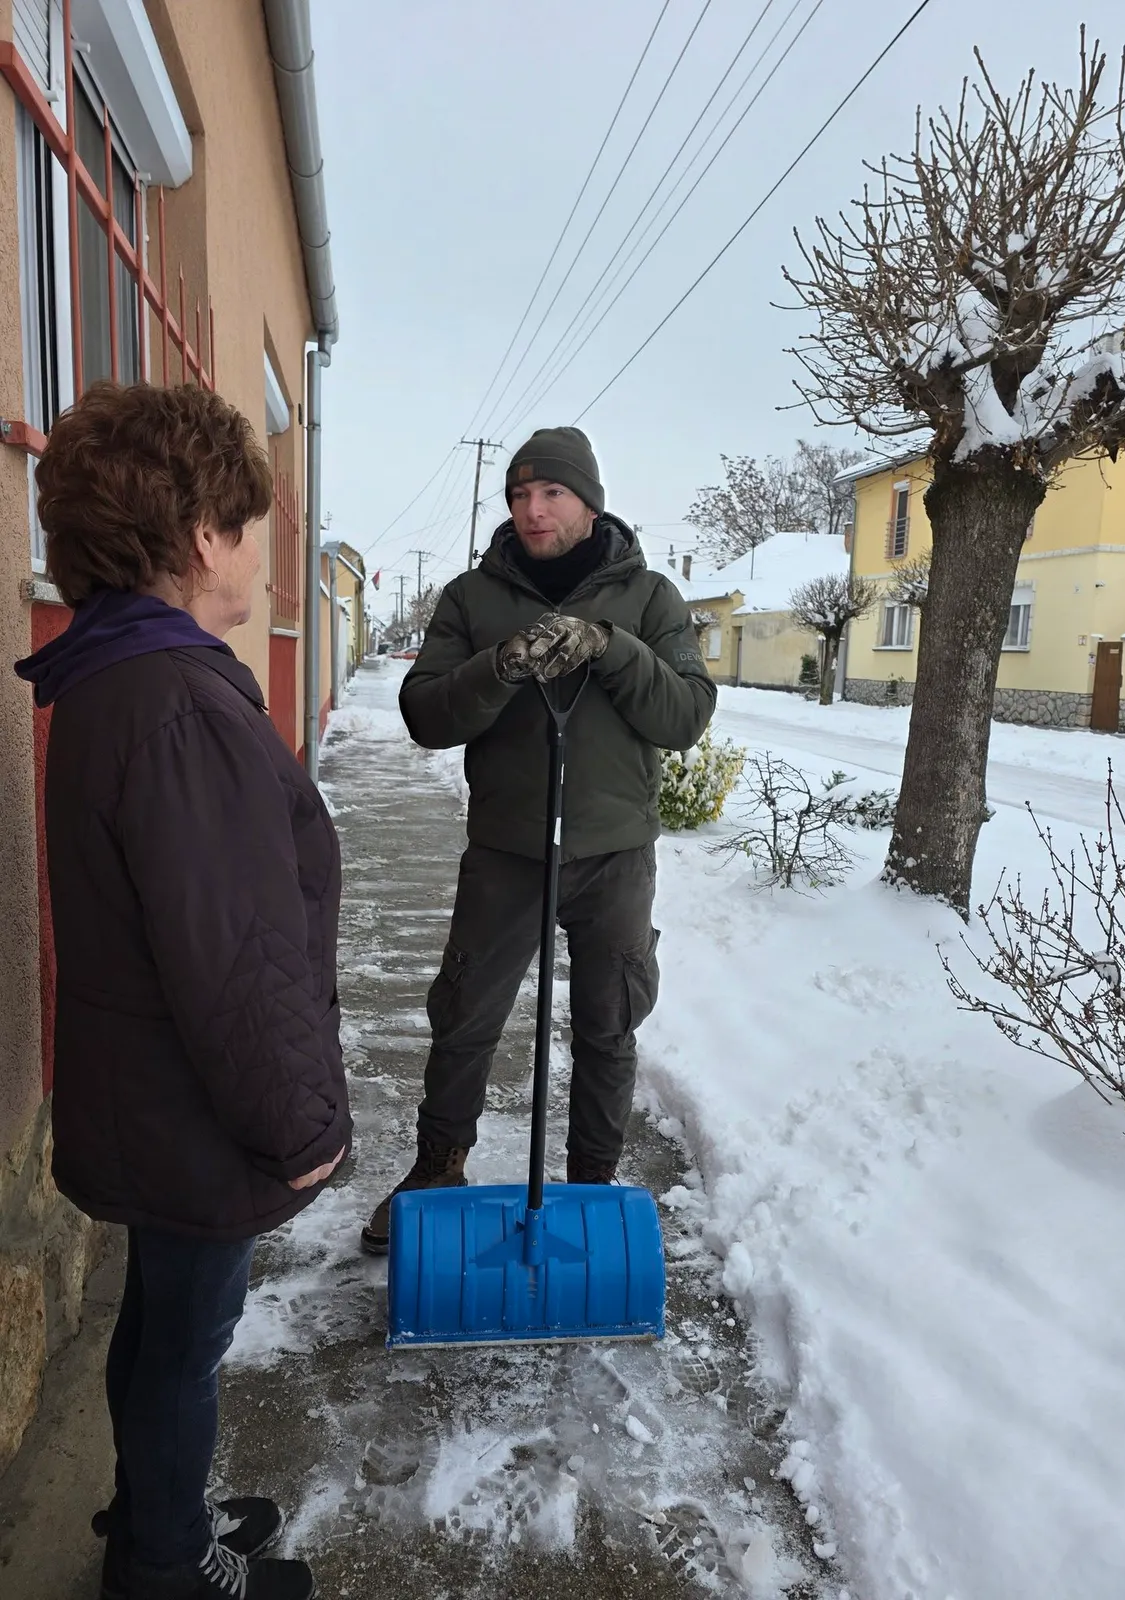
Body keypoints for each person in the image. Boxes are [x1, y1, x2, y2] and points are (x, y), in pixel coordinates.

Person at [15, 383, 351, 1600]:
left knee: (158, 1329)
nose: (263, 553)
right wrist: (301, 1128)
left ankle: (159, 1510)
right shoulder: (177, 705)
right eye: (249, 525)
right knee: (185, 1346)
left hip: (148, 1094)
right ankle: (163, 1563)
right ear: (200, 536)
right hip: (194, 1106)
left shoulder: (117, 679)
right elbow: (238, 962)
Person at [361, 426, 715, 1253]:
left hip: (615, 854)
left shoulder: (650, 598)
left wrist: (611, 647)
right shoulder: (472, 599)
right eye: (519, 495)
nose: (531, 509)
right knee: (465, 1013)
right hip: (507, 850)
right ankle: (436, 1168)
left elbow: (685, 716)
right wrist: (500, 667)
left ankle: (593, 1184)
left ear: (589, 501)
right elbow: (424, 715)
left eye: (550, 493)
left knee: (607, 1021)